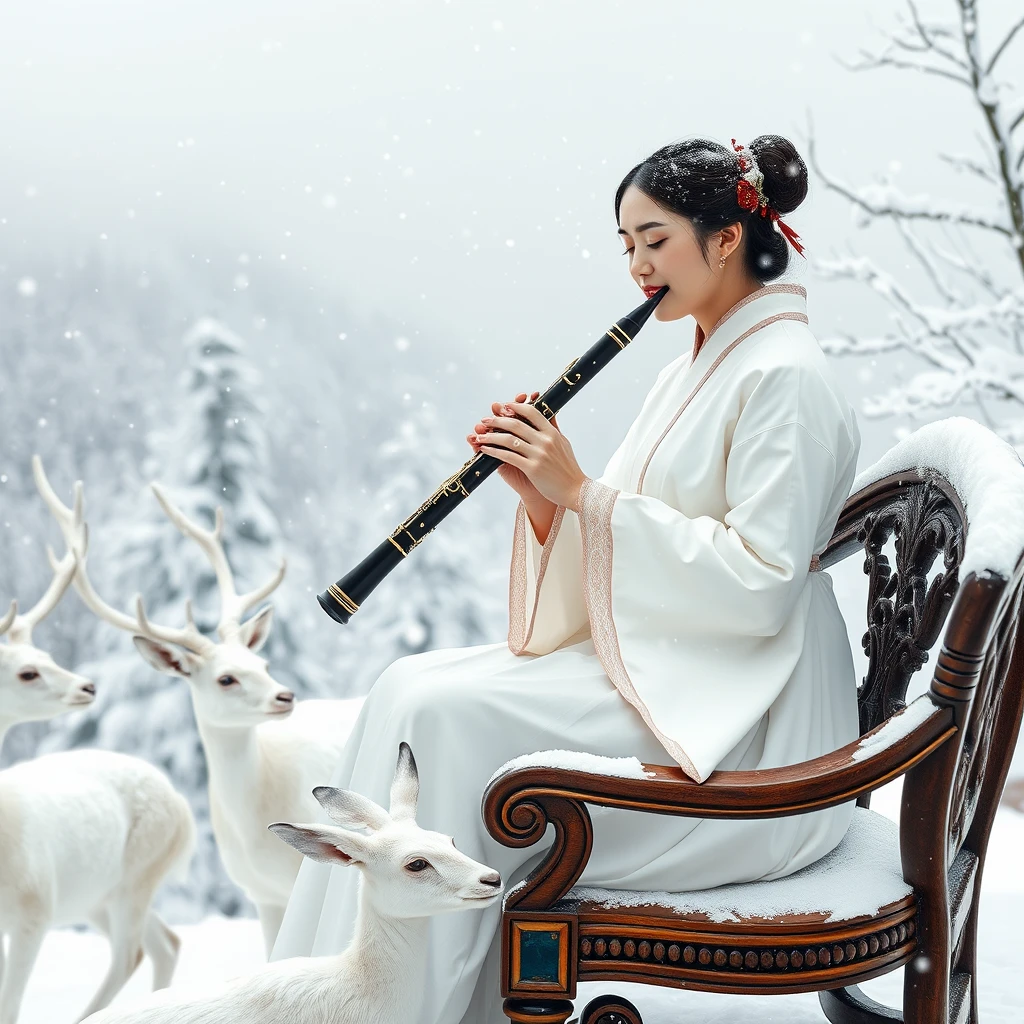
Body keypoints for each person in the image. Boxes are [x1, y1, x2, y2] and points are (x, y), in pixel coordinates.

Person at [271, 134, 862, 1024]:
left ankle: (420, 1008)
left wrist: (580, 491)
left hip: (758, 717)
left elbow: (760, 580)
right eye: (626, 245)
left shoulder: (787, 376)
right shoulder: (696, 363)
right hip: (690, 661)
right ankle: (337, 999)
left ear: (728, 238)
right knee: (407, 686)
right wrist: (548, 504)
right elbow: (619, 521)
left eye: (654, 240)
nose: (636, 265)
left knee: (443, 716)